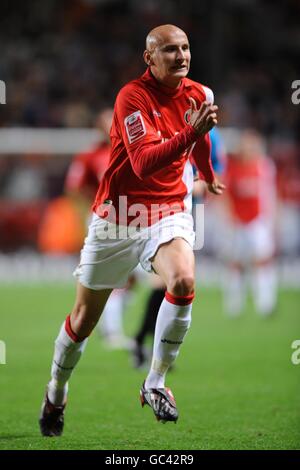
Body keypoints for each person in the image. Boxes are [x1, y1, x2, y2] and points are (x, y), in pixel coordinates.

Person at [39, 24, 225, 436]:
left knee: (183, 279)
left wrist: (207, 173)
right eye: (171, 50)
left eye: (186, 48)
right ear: (149, 58)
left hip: (168, 211)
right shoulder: (131, 98)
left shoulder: (201, 94)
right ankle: (56, 391)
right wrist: (190, 132)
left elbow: (202, 141)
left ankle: (155, 382)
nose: (181, 56)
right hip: (118, 216)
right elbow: (142, 163)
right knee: (83, 320)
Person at [131, 126, 226, 369]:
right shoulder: (162, 126)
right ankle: (151, 346)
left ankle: (145, 343)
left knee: (172, 283)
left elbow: (215, 173)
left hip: (192, 212)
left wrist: (200, 185)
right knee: (165, 282)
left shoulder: (211, 135)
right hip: (161, 210)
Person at [65, 108, 133, 349]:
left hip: (134, 219)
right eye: (107, 122)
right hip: (104, 220)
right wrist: (89, 211)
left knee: (132, 279)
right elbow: (73, 188)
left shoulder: (131, 149)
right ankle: (110, 331)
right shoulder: (89, 156)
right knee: (112, 277)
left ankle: (109, 323)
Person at [220, 129, 277, 316]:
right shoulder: (233, 168)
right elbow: (225, 194)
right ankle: (234, 305)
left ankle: (265, 303)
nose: (248, 148)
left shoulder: (265, 166)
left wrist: (272, 220)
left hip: (258, 221)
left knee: (262, 261)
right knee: (236, 263)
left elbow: (270, 194)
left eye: (252, 144)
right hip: (237, 221)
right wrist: (228, 217)